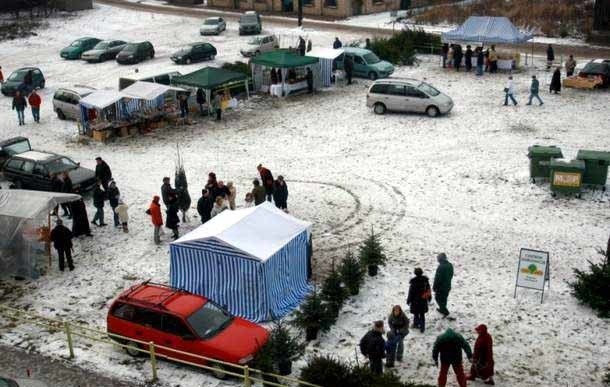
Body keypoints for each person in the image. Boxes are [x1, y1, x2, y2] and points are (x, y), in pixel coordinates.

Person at [407, 267, 431, 333]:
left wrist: (409, 300)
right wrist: (429, 298)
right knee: (422, 314)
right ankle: (422, 327)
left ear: (415, 273)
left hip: (415, 301)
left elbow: (411, 292)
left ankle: (416, 324)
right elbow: (428, 290)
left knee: (416, 314)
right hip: (423, 300)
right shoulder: (425, 281)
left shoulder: (413, 282)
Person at [433, 253, 453, 317]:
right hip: (448, 286)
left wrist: (434, 286)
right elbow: (451, 274)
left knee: (437, 298)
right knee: (444, 298)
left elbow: (437, 278)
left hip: (441, 287)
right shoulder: (450, 265)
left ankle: (444, 311)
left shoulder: (440, 267)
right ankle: (443, 309)